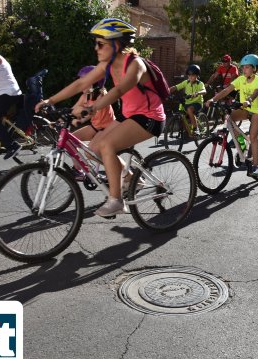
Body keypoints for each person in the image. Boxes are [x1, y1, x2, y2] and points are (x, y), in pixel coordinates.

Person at [36, 18, 166, 217]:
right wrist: (49, 101)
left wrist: (93, 107)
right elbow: (81, 84)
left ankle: (116, 200)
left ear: (116, 44)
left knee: (107, 145)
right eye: (95, 43)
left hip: (150, 117)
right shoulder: (106, 64)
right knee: (92, 151)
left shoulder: (135, 64)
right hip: (129, 114)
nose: (96, 48)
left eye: (100, 44)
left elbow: (121, 89)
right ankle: (131, 178)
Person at [205, 54, 258, 177]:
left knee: (253, 137)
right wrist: (213, 99)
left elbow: (255, 93)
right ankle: (241, 143)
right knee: (229, 119)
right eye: (243, 67)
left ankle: (255, 166)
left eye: (247, 67)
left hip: (257, 110)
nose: (244, 70)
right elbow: (227, 90)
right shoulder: (241, 79)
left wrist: (249, 100)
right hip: (244, 108)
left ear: (254, 68)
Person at [69, 65, 118, 180]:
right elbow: (73, 110)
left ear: (96, 83)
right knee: (70, 141)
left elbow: (91, 112)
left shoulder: (102, 96)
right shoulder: (85, 96)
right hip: (95, 127)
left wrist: (79, 120)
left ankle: (115, 167)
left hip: (108, 128)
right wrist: (58, 119)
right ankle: (79, 170)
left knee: (90, 153)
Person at [169, 64, 206, 136]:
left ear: (197, 76)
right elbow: (176, 87)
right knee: (182, 115)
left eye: (192, 75)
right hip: (187, 103)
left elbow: (204, 91)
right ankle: (187, 131)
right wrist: (166, 91)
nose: (190, 77)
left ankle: (196, 129)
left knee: (189, 109)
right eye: (189, 75)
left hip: (197, 103)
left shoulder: (200, 83)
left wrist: (198, 93)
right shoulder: (186, 82)